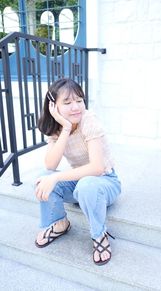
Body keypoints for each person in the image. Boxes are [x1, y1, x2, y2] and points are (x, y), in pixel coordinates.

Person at [34, 78, 121, 266]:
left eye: (79, 100)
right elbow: (50, 164)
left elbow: (97, 168)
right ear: (53, 106)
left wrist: (57, 177)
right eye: (67, 102)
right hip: (81, 183)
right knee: (44, 176)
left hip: (105, 181)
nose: (76, 107)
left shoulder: (89, 120)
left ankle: (99, 235)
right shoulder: (57, 127)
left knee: (86, 184)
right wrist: (65, 129)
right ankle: (59, 223)